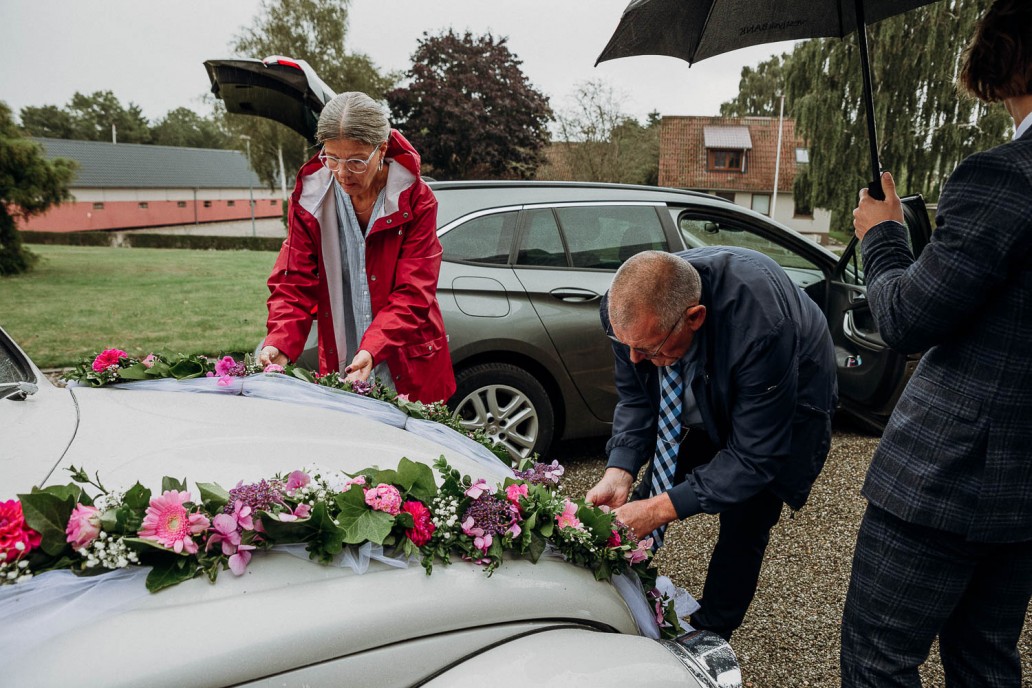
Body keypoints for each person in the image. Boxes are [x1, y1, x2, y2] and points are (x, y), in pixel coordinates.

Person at [840, 2, 1032, 685]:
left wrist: (883, 235)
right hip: (1022, 492)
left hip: (947, 480)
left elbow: (908, 319)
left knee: (879, 660)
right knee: (985, 660)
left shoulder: (1005, 177)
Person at [586, 247, 838, 641]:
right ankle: (620, 581)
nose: (634, 359)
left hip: (782, 398)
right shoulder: (631, 316)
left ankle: (712, 632)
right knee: (651, 489)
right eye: (626, 346)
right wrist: (620, 469)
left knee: (746, 516)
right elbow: (636, 397)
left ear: (695, 317)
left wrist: (658, 510)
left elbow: (755, 457)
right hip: (706, 389)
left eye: (649, 349)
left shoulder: (763, 326)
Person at [258, 92, 455, 404]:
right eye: (332, 158)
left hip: (408, 363)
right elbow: (293, 282)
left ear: (382, 149)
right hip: (341, 359)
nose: (342, 173)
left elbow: (414, 293)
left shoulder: (416, 200)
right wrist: (280, 342)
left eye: (356, 160)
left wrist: (372, 348)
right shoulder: (311, 201)